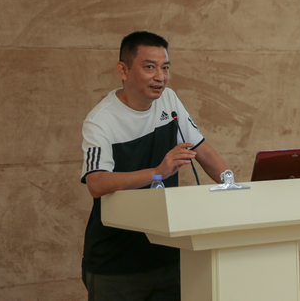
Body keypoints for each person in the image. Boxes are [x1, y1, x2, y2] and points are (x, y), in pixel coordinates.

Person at [80, 31, 230, 301]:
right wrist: (157, 173)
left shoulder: (169, 100)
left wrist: (231, 184)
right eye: (150, 67)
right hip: (116, 261)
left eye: (165, 68)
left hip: (168, 251)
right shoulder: (101, 119)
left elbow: (202, 149)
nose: (160, 77)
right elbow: (96, 183)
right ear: (123, 70)